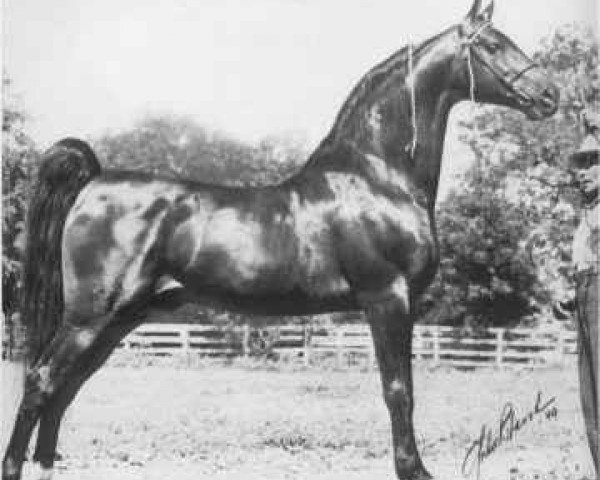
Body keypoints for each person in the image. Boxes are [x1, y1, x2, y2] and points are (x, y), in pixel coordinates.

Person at [569, 109, 599, 476]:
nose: (583, 171)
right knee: (591, 405)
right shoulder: (587, 212)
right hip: (585, 297)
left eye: (593, 162)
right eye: (580, 163)